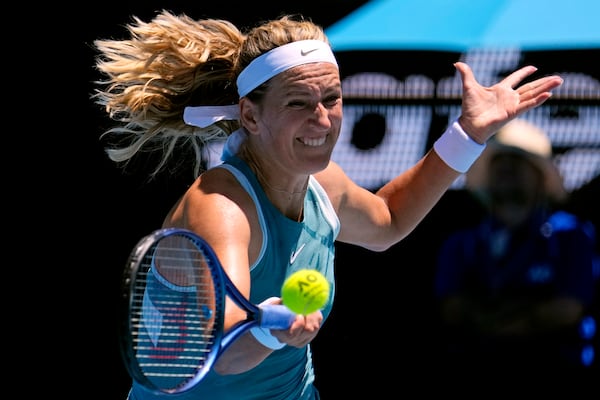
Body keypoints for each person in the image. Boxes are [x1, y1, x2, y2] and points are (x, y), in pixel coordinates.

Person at [92, 10, 564, 399]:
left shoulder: (324, 183)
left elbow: (388, 220)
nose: (322, 119)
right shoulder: (221, 208)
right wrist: (268, 328)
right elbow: (226, 346)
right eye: (298, 102)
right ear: (251, 116)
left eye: (331, 98)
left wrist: (469, 134)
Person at [433, 118, 597, 376]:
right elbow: (452, 309)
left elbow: (568, 309)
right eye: (499, 162)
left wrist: (506, 325)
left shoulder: (572, 236)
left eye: (517, 162)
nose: (506, 170)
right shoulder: (460, 245)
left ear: (541, 178)